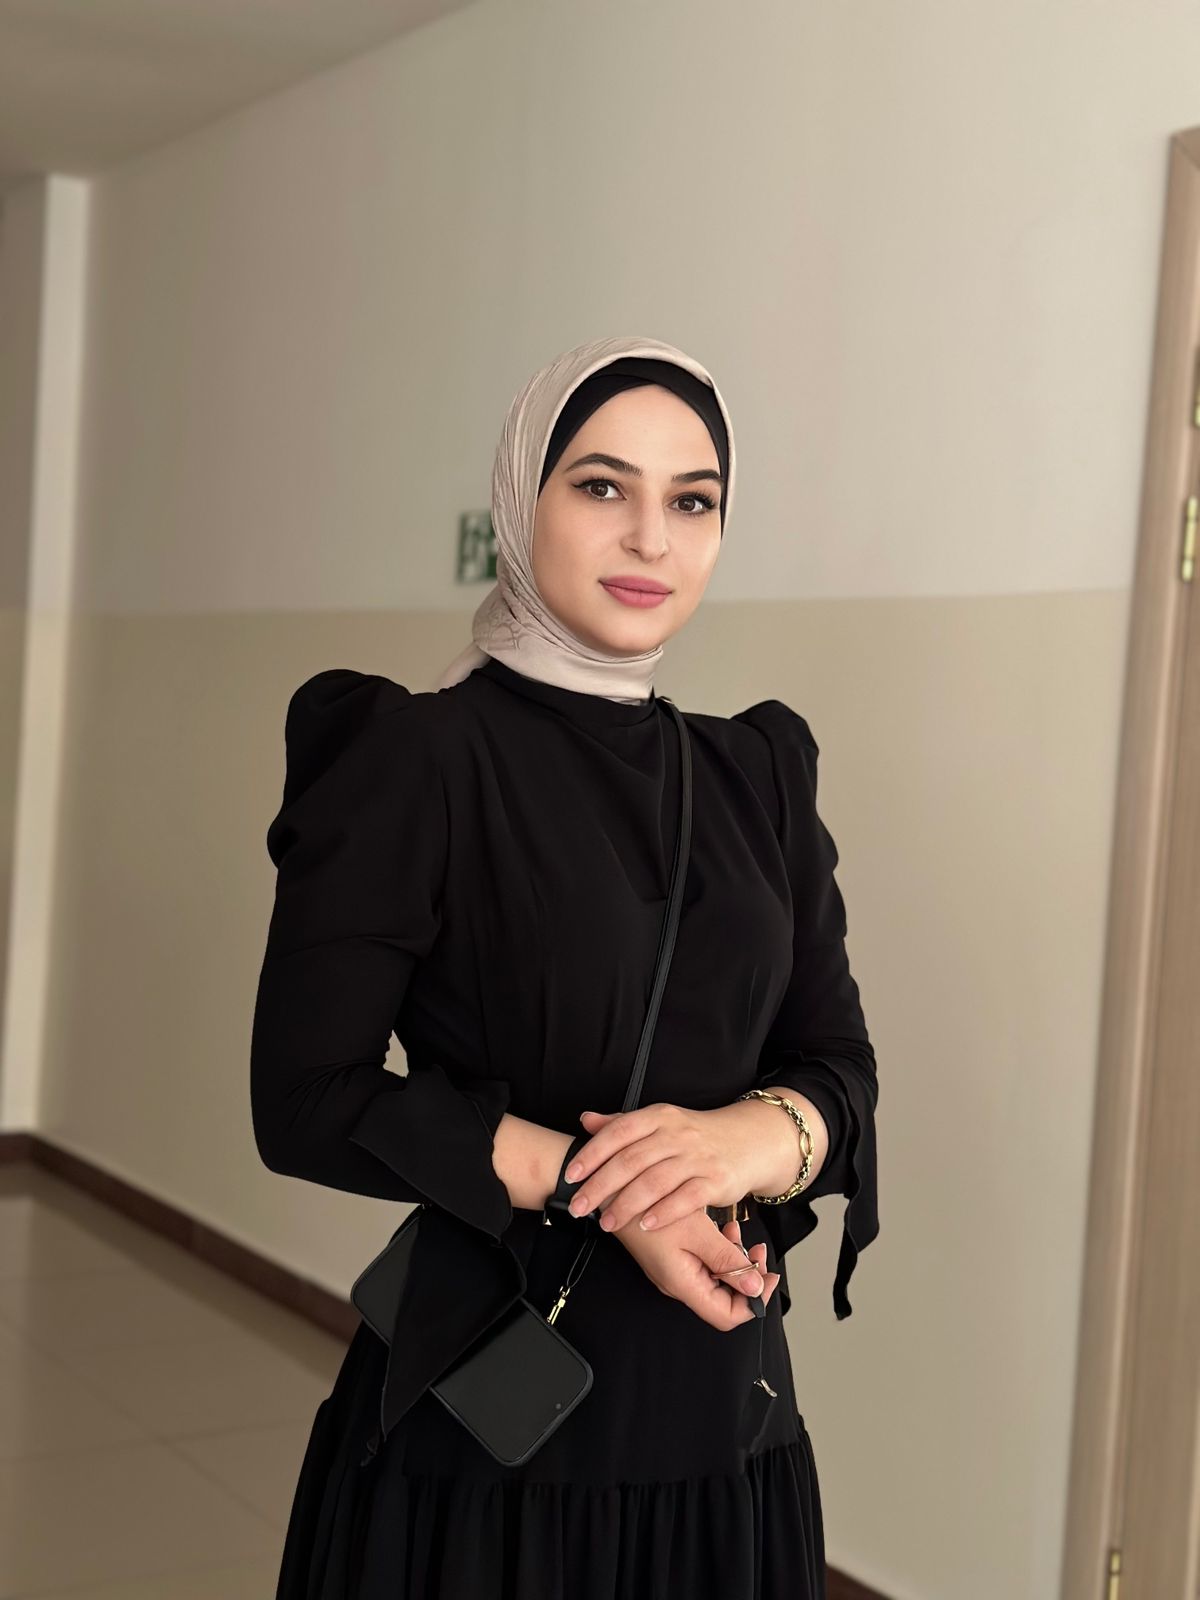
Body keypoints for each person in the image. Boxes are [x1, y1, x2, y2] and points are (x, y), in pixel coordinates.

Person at [249, 333, 879, 1599]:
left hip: (726, 1426)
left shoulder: (757, 774)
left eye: (692, 501)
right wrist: (620, 1191)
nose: (651, 537)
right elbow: (307, 1099)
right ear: (517, 500)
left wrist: (742, 1146)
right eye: (601, 486)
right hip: (488, 1436)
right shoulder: (416, 756)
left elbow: (838, 1066)